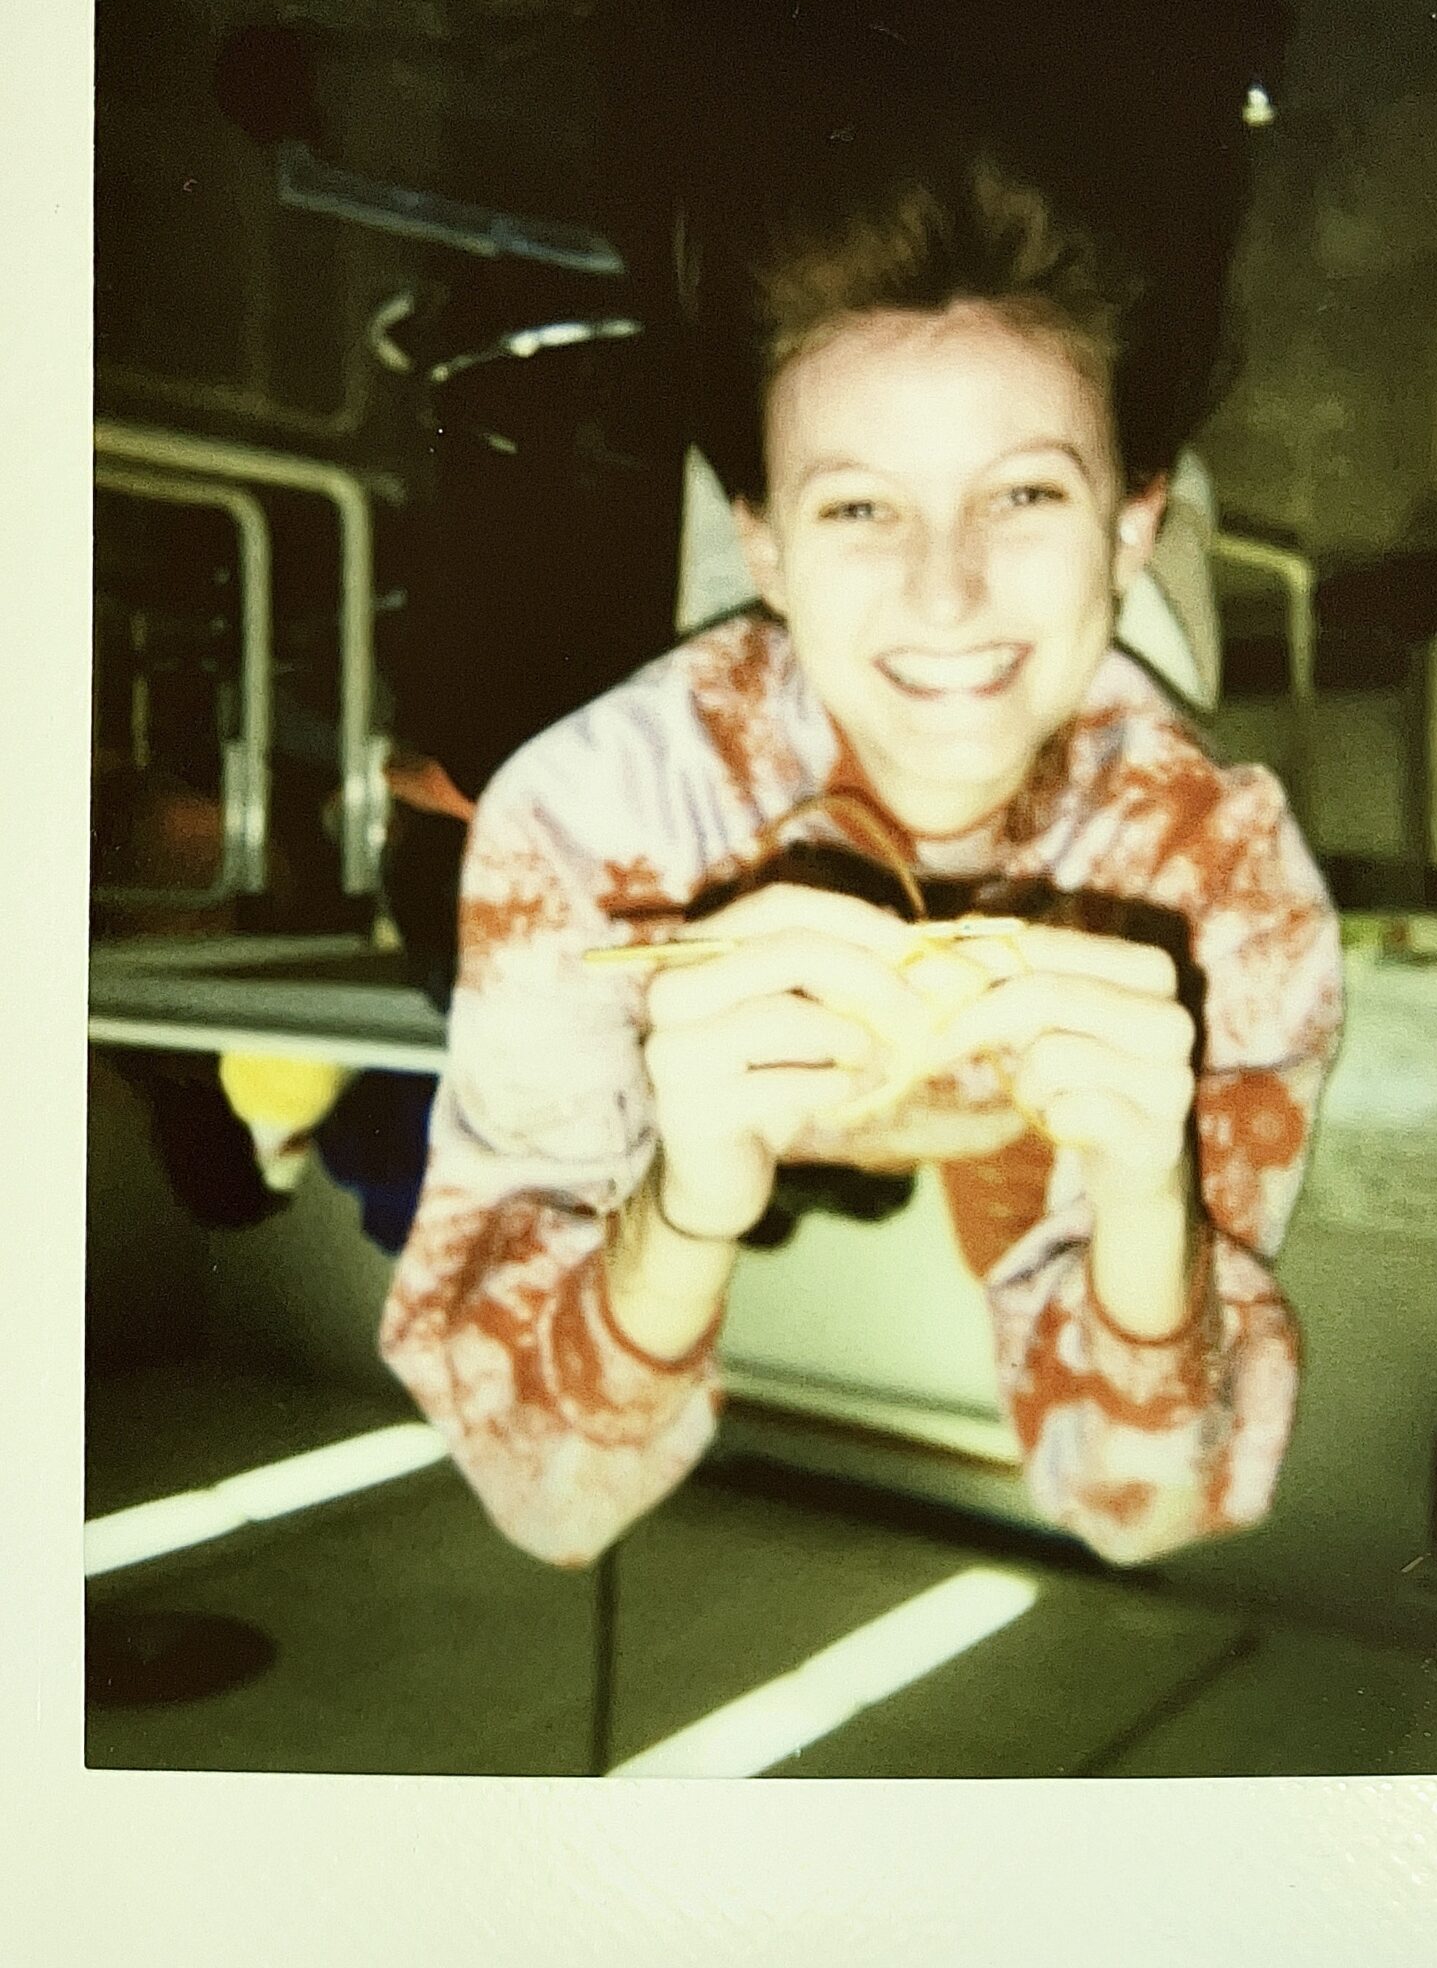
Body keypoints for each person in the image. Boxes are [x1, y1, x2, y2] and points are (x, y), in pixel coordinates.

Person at [379, 132, 1343, 1571]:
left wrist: (1153, 1206)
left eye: (1026, 495)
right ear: (762, 548)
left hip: (1122, 672)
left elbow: (1141, 1510)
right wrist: (682, 1211)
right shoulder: (590, 825)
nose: (947, 597)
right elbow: (549, 1495)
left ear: (1132, 518)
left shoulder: (1217, 880)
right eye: (857, 509)